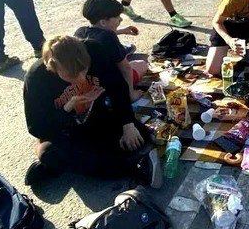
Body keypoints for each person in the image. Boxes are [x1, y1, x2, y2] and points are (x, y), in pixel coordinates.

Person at [22, 35, 161, 188]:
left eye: (84, 70)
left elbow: (117, 86)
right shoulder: (36, 78)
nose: (81, 78)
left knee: (140, 137)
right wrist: (68, 108)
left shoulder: (94, 49)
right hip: (65, 129)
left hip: (98, 115)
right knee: (50, 153)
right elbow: (36, 127)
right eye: (72, 75)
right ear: (53, 67)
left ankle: (75, 164)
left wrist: (127, 124)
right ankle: (129, 169)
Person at [75, 0, 149, 102]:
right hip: (111, 85)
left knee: (127, 52)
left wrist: (121, 31)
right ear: (103, 22)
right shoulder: (109, 38)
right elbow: (126, 68)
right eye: (117, 17)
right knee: (142, 63)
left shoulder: (80, 32)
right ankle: (129, 93)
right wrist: (131, 94)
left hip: (92, 82)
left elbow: (97, 35)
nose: (120, 19)